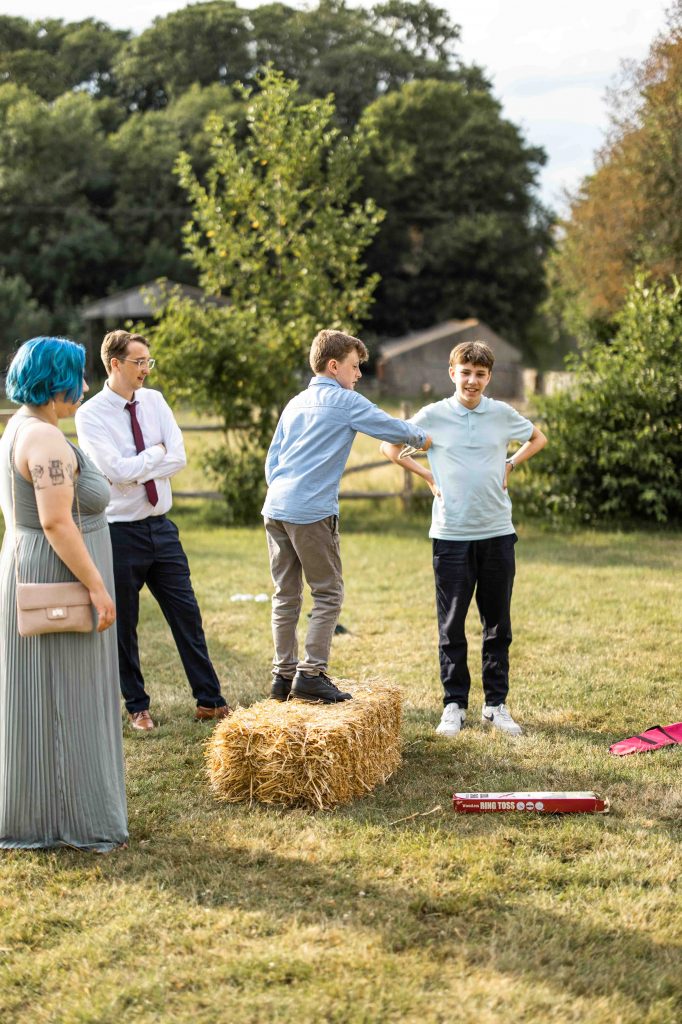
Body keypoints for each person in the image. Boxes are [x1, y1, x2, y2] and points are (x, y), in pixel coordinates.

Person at [380, 341, 547, 738]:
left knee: (497, 626)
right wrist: (428, 476)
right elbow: (390, 446)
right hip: (451, 535)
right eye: (465, 372)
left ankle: (495, 706)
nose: (472, 380)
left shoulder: (502, 414)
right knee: (451, 625)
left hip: (497, 534)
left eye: (480, 374)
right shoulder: (432, 416)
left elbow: (537, 438)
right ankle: (453, 705)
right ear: (452, 372)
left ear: (488, 377)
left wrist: (510, 462)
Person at [0, 336, 128, 852]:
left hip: (38, 566)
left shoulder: (21, 426)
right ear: (57, 381)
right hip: (58, 576)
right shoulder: (46, 441)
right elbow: (55, 521)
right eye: (77, 375)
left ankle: (43, 811)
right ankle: (70, 819)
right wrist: (96, 585)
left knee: (47, 693)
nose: (85, 385)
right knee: (61, 695)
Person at [263, 328, 431, 704]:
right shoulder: (345, 402)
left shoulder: (295, 402)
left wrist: (283, 492)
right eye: (355, 367)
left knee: (285, 595)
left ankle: (281, 676)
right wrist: (424, 438)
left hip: (275, 508)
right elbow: (390, 427)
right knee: (328, 592)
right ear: (333, 365)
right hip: (310, 512)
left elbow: (273, 459)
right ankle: (311, 674)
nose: (358, 375)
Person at [75, 330, 230, 732]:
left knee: (187, 615)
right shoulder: (90, 415)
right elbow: (115, 473)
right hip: (119, 532)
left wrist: (144, 462)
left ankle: (210, 702)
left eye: (148, 362)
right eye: (138, 362)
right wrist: (153, 456)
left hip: (162, 528)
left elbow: (177, 457)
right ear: (115, 364)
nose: (145, 369)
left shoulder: (155, 401)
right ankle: (137, 707)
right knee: (125, 624)